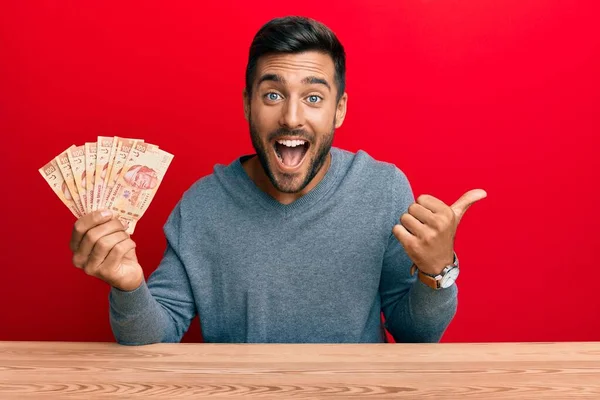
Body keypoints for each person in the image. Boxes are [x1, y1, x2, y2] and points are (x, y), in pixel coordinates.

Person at [69, 16, 486, 344]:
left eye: (313, 97)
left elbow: (418, 333)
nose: (290, 117)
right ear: (248, 104)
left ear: (338, 110)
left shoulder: (382, 189)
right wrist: (128, 286)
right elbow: (157, 334)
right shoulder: (202, 204)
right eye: (272, 95)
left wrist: (438, 270)